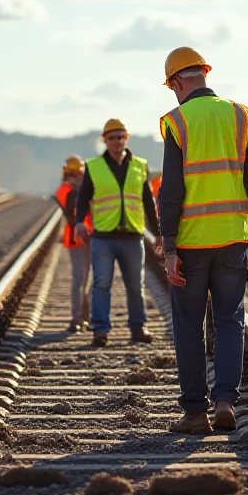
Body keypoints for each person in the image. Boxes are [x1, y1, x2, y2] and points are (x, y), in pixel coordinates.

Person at [158, 48, 248, 435]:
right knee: (229, 323)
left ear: (176, 82)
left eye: (171, 86)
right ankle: (224, 402)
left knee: (188, 326)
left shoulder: (177, 121)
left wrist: (169, 247)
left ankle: (195, 414)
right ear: (203, 73)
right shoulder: (239, 115)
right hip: (234, 241)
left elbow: (170, 190)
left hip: (191, 243)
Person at [75, 118, 161, 347]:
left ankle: (138, 327)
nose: (116, 142)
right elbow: (83, 197)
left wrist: (159, 233)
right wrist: (79, 222)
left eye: (120, 137)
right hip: (104, 236)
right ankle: (100, 330)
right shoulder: (93, 166)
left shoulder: (140, 166)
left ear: (126, 138)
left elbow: (148, 202)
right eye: (111, 138)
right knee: (101, 283)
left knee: (135, 285)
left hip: (133, 236)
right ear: (105, 140)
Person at [54, 156, 92, 333]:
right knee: (80, 280)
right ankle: (77, 318)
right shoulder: (68, 191)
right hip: (78, 239)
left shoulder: (70, 190)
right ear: (76, 175)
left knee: (85, 280)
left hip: (85, 238)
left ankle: (85, 317)